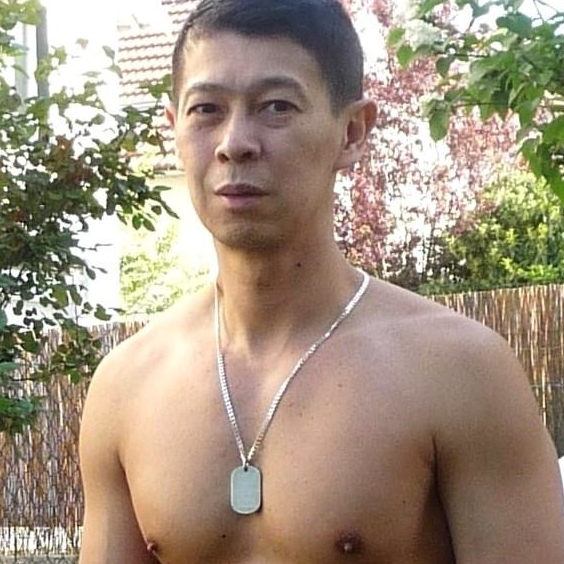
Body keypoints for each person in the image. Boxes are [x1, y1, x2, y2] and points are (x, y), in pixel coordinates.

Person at [77, 0, 564, 562]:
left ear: (352, 132)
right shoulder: (127, 385)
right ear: (174, 130)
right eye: (206, 109)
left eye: (276, 107)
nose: (234, 142)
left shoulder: (459, 372)